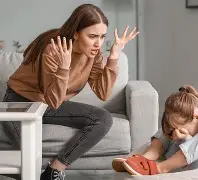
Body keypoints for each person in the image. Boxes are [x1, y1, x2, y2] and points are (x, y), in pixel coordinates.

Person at [2, 3, 139, 180]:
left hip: (49, 103)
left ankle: (54, 171)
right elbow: (54, 101)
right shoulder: (53, 49)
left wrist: (113, 57)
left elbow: (103, 93)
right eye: (92, 36)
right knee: (29, 165)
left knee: (103, 119)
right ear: (75, 33)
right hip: (21, 103)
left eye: (102, 36)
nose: (98, 43)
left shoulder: (93, 53)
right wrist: (64, 67)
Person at [112, 85, 198, 175]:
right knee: (168, 125)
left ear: (196, 117)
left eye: (179, 129)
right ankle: (147, 157)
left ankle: (160, 168)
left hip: (184, 165)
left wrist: (187, 138)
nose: (176, 131)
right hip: (169, 154)